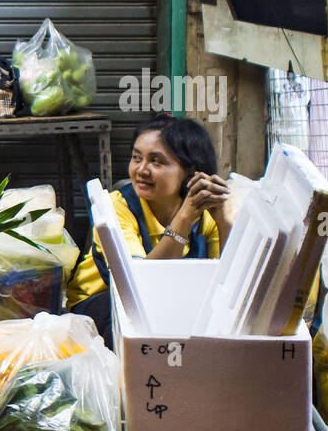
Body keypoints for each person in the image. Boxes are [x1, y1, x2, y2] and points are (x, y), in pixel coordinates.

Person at [67, 114, 232, 347]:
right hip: (98, 308)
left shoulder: (204, 210)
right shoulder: (118, 207)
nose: (141, 170)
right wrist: (184, 219)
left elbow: (227, 279)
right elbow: (140, 286)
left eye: (156, 161)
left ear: (190, 170)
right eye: (136, 158)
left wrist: (223, 218)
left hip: (162, 304)